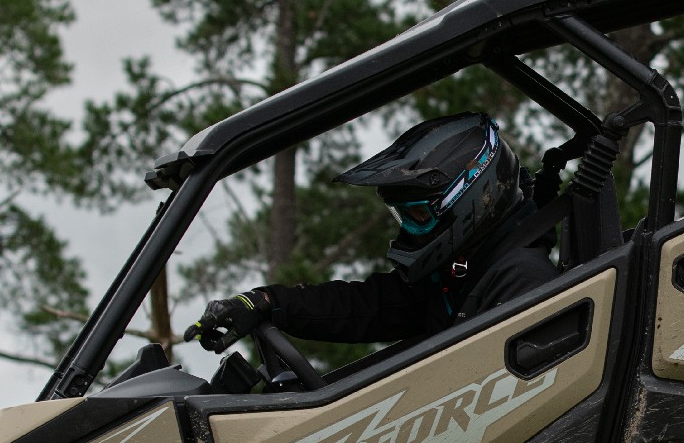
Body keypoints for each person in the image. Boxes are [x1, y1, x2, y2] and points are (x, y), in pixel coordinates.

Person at [186, 113, 558, 362]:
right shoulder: (463, 271)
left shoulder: (522, 282)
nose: (405, 231)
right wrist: (267, 302)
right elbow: (367, 306)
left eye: (416, 216)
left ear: (468, 201)